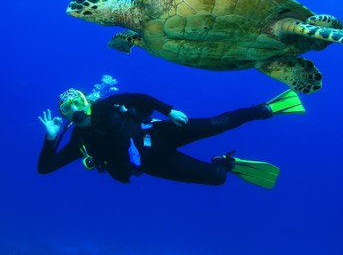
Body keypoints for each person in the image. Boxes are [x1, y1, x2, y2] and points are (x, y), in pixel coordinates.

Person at [38, 79, 305, 189]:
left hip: (159, 132)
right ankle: (226, 162)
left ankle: (264, 109)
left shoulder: (105, 105)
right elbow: (46, 168)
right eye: (67, 107)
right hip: (153, 162)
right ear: (63, 115)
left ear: (86, 100)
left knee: (217, 124)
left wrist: (170, 110)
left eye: (77, 101)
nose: (75, 108)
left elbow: (140, 96)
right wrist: (50, 138)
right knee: (217, 179)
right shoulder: (79, 142)